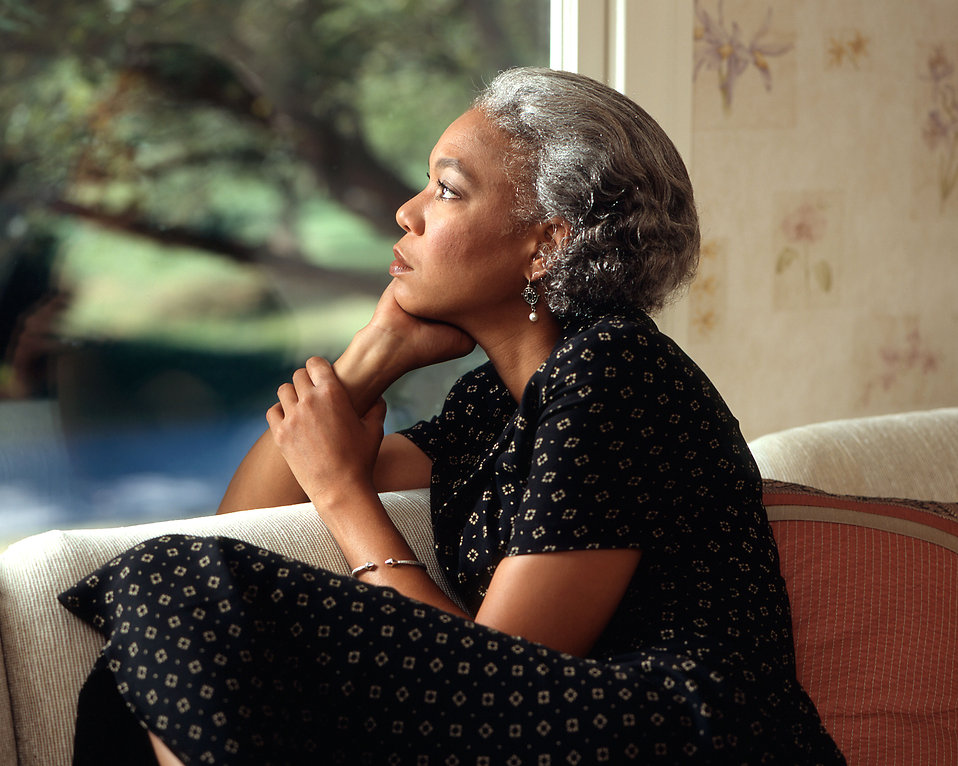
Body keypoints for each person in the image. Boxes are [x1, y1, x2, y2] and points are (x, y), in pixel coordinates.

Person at [60, 67, 845, 765]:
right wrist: (375, 353)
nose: (407, 212)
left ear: (547, 246)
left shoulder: (617, 374)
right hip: (567, 728)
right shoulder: (492, 403)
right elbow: (238, 523)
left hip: (681, 733)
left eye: (447, 189)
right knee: (174, 626)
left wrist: (344, 493)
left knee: (180, 583)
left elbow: (499, 668)